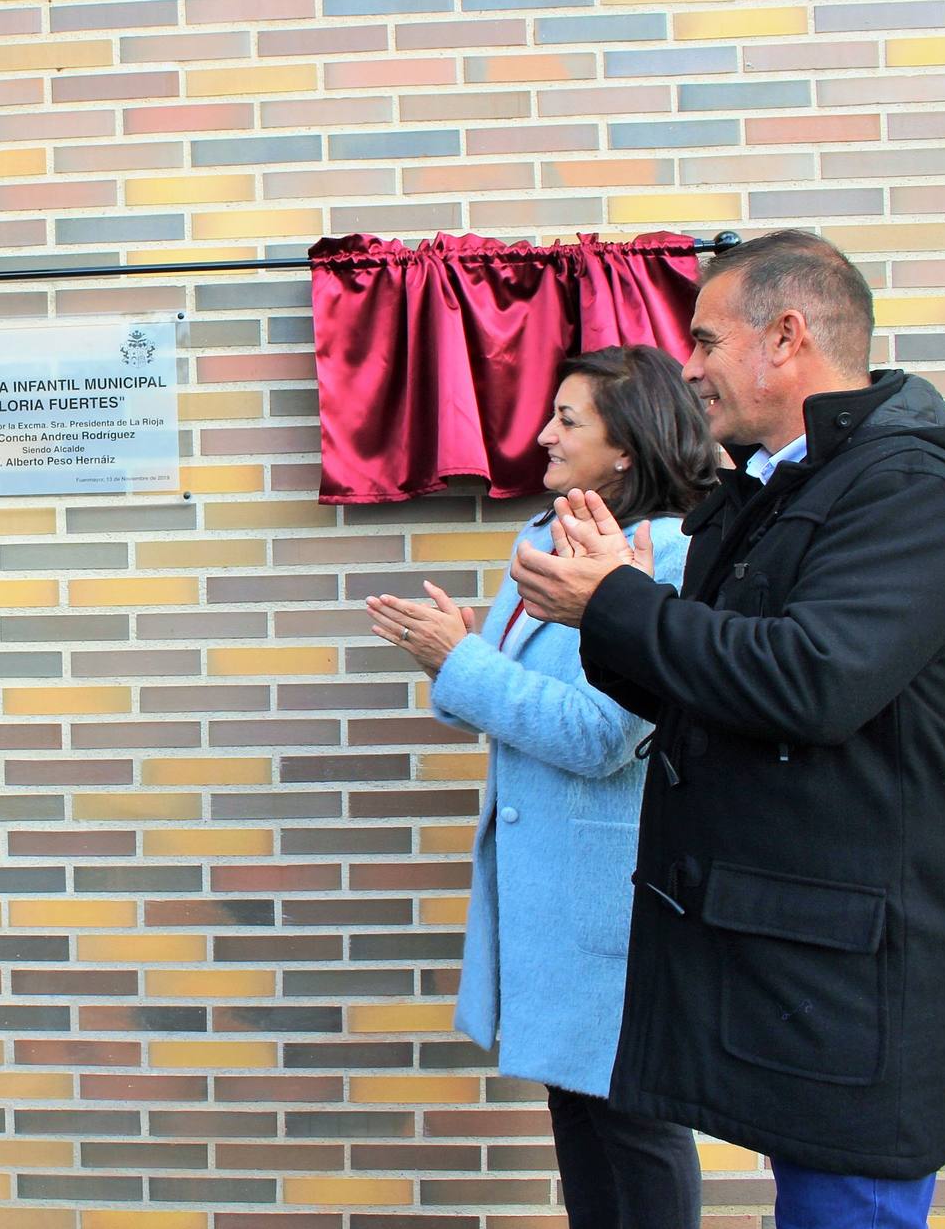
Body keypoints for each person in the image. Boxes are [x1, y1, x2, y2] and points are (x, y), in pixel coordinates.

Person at [512, 231, 945, 1225]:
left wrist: (611, 601)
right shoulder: (777, 486)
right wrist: (604, 607)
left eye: (704, 340)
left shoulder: (909, 486)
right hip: (788, 962)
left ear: (786, 338)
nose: (687, 367)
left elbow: (811, 680)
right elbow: (713, 683)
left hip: (856, 976)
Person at [369, 345, 714, 1228]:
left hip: (612, 893)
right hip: (547, 891)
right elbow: (498, 708)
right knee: (578, 1112)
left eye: (567, 420)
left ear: (628, 446)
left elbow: (604, 736)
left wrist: (465, 664)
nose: (541, 436)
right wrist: (455, 657)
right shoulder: (537, 541)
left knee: (633, 1127)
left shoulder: (668, 557)